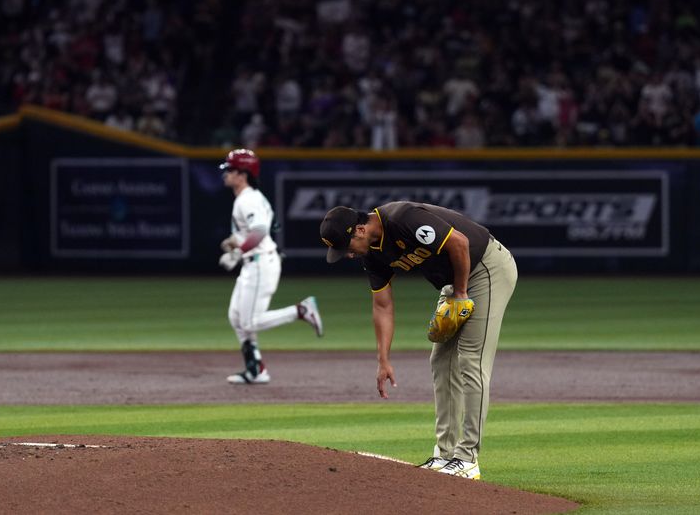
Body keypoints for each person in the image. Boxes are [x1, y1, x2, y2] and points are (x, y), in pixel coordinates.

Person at [320, 202, 517, 480]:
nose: (348, 255)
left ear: (361, 229)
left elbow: (459, 243)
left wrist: (460, 293)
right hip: (457, 278)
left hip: (486, 267)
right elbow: (382, 306)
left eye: (348, 247)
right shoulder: (372, 255)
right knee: (440, 360)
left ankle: (467, 458)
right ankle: (445, 454)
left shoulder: (402, 219)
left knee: (471, 359)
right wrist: (383, 359)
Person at [219, 149, 323, 384]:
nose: (225, 174)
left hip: (260, 263)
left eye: (230, 170)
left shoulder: (248, 199)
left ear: (242, 174)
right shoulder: (250, 197)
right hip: (256, 262)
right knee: (236, 317)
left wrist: (237, 252)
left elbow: (261, 231)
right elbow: (259, 230)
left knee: (249, 322)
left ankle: (301, 310)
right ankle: (256, 369)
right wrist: (234, 241)